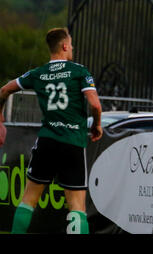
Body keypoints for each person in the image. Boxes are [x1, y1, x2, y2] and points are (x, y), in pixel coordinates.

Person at [0, 28, 103, 234]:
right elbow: (95, 104)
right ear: (65, 46)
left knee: (29, 199)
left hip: (47, 141)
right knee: (76, 206)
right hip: (73, 141)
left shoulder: (38, 73)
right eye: (71, 44)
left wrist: (0, 118)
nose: (72, 48)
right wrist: (97, 125)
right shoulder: (79, 71)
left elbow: (4, 90)